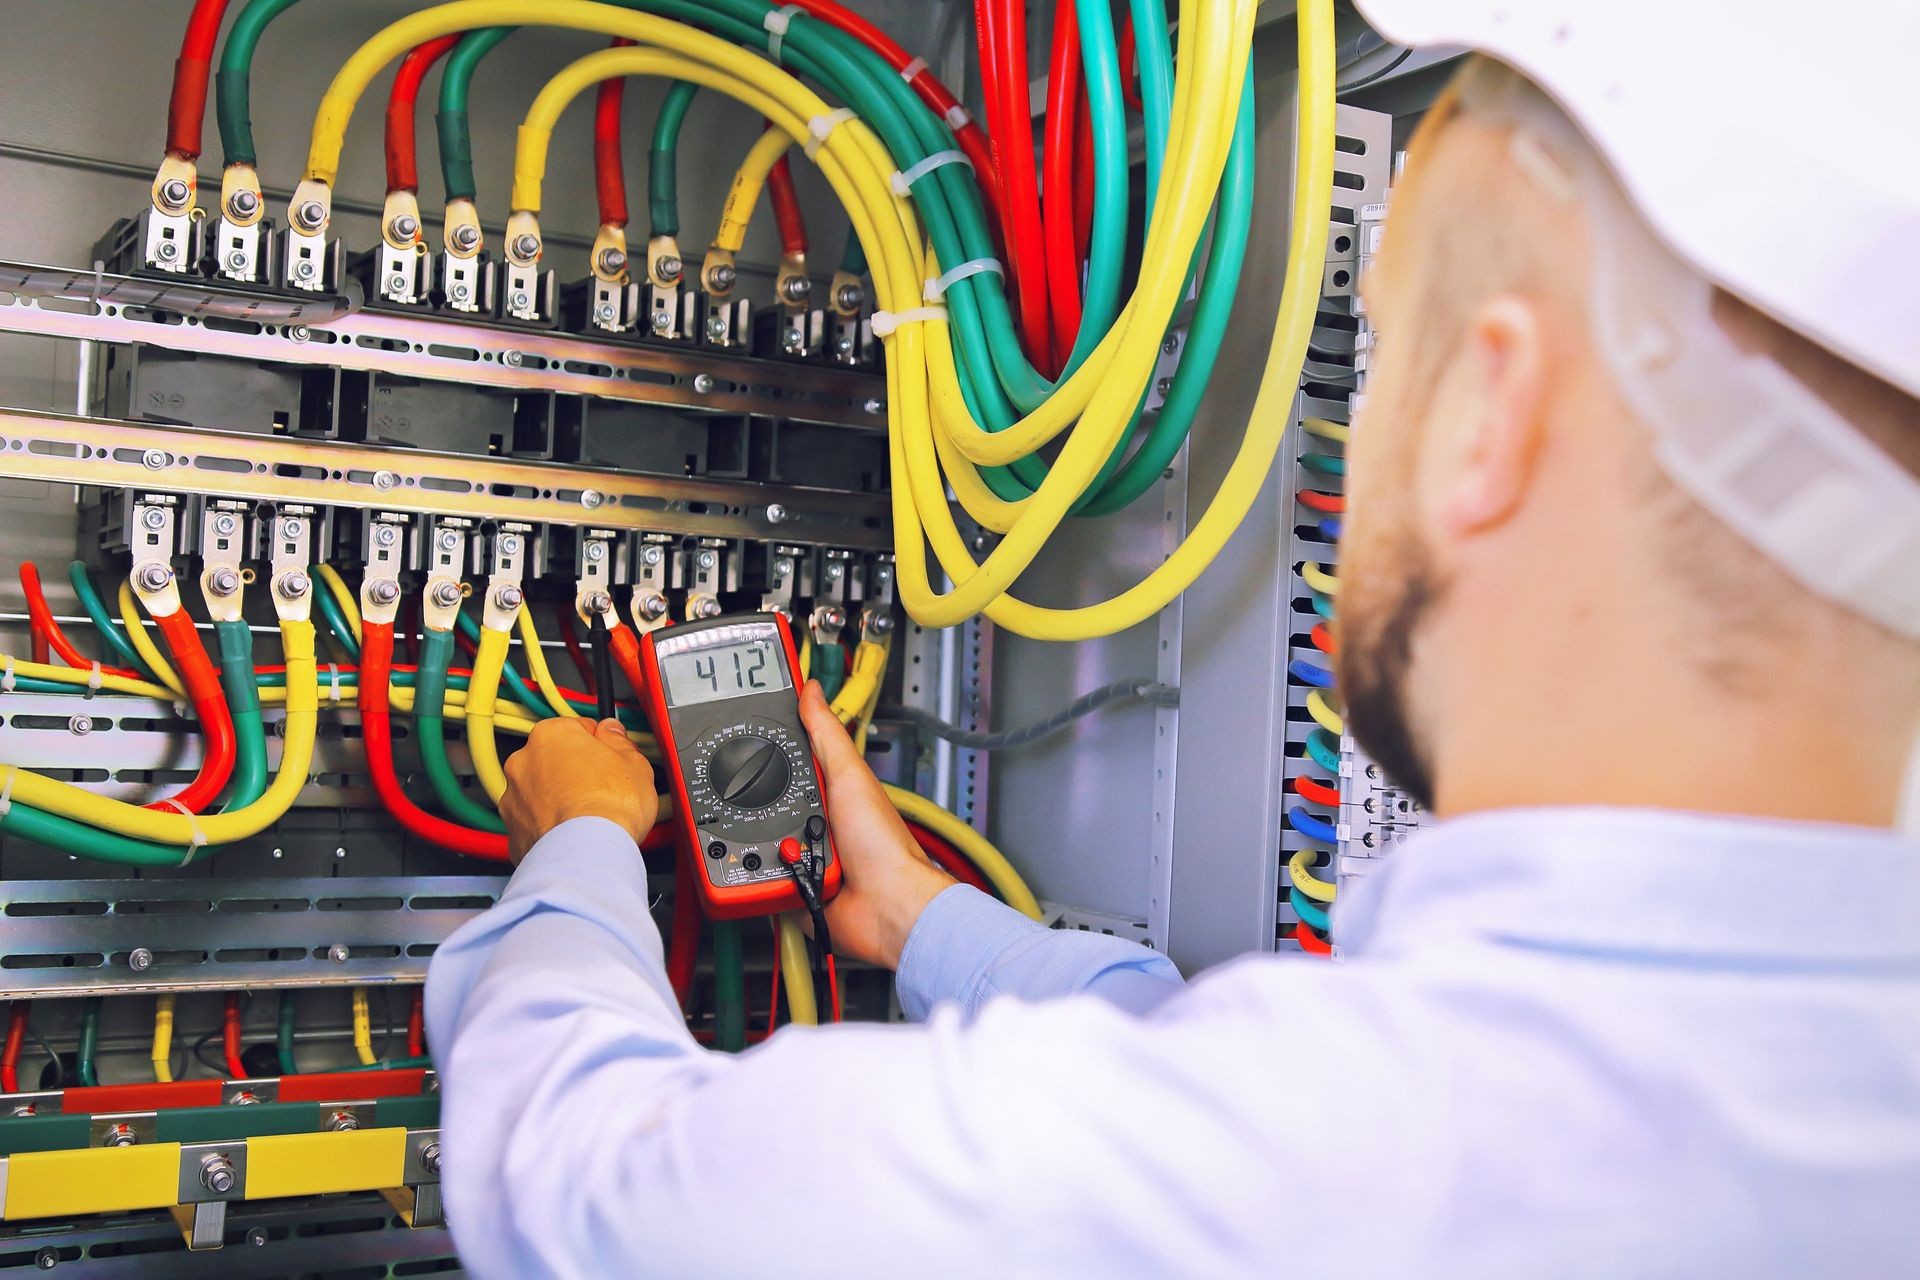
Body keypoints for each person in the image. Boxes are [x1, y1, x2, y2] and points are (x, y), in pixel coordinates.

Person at [424, 5, 1920, 1276]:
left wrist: (583, 844)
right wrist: (920, 920)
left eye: (1381, 354)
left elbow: (576, 1181)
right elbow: (1218, 1061)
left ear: (1486, 413)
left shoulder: (1236, 1192)